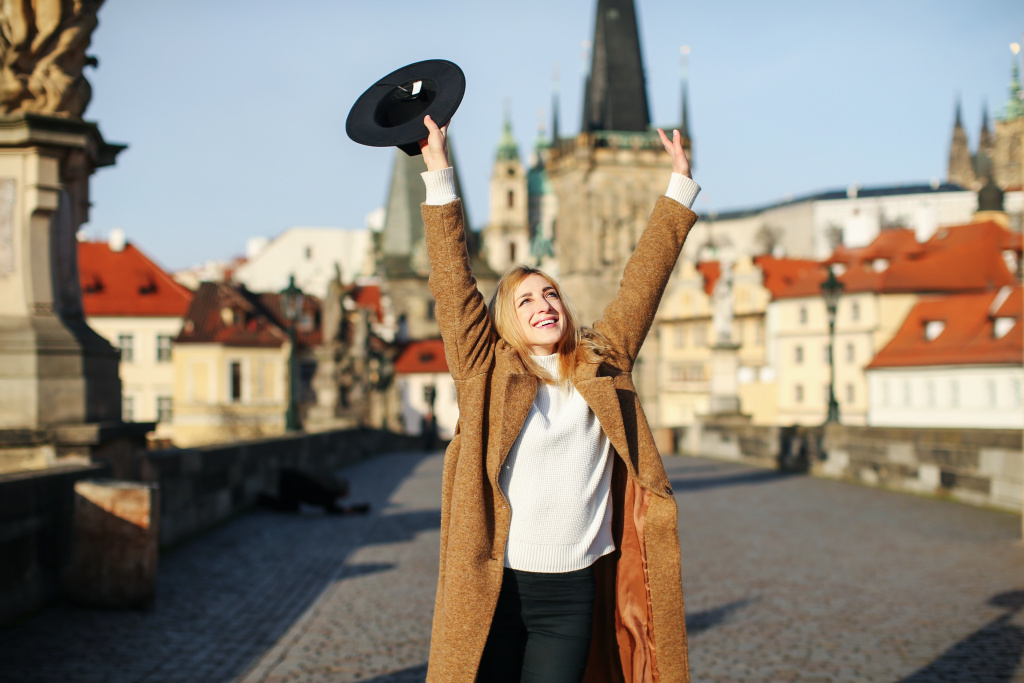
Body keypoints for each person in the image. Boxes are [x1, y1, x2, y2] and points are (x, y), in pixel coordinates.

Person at [418, 113, 699, 683]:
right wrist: (439, 173)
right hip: (496, 585)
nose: (543, 305)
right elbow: (453, 282)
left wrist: (678, 190)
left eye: (550, 294)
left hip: (571, 591)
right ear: (507, 320)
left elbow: (643, 282)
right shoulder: (485, 369)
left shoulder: (603, 361)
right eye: (525, 301)